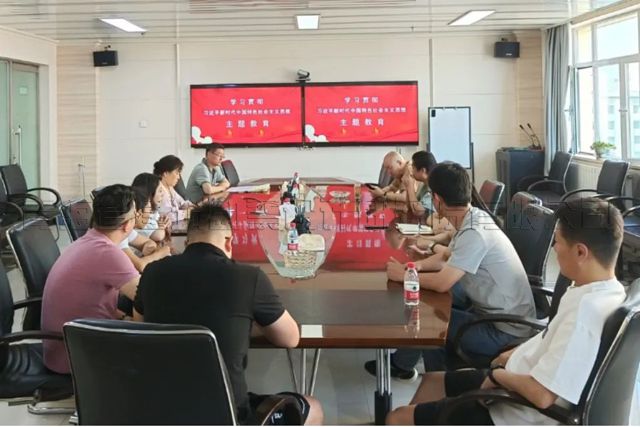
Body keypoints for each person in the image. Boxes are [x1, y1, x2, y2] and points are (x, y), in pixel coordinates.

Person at [386, 197, 627, 425]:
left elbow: (542, 396)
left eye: (558, 241)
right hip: (515, 380)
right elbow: (553, 341)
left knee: (397, 418)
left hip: (514, 410)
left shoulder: (585, 314)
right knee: (432, 381)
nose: (554, 247)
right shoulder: (607, 291)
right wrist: (516, 353)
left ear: (581, 252)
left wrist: (497, 376)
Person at [133, 204, 323, 425]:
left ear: (186, 242)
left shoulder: (152, 273)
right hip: (227, 416)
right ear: (228, 241)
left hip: (159, 413)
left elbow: (141, 327)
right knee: (313, 408)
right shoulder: (248, 277)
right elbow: (290, 338)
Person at [366, 162, 535, 380]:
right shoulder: (472, 217)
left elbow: (442, 283)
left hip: (503, 331)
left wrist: (403, 275)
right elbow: (447, 256)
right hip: (492, 314)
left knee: (428, 319)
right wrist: (415, 267)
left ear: (436, 199)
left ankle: (438, 382)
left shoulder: (474, 231)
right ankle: (406, 365)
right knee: (427, 303)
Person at [41, 184, 140, 374]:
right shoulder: (108, 253)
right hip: (76, 358)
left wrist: (124, 318)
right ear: (127, 225)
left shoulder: (87, 241)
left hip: (63, 348)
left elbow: (92, 303)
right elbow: (148, 296)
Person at [120, 187, 171, 273]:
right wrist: (161, 253)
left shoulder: (129, 230)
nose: (149, 216)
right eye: (149, 211)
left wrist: (148, 247)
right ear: (139, 213)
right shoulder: (119, 233)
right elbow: (140, 266)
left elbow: (149, 242)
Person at [132, 173, 169, 243]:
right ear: (149, 194)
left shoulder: (153, 212)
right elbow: (158, 236)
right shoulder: (140, 218)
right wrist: (162, 226)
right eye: (160, 191)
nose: (163, 194)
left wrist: (164, 222)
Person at [153, 154, 192, 222]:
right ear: (165, 173)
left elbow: (182, 203)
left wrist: (194, 206)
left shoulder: (169, 187)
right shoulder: (159, 190)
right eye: (177, 173)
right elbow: (168, 216)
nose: (179, 177)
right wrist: (186, 213)